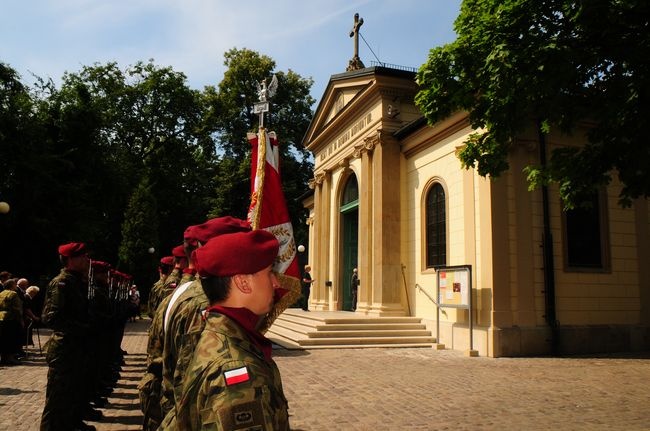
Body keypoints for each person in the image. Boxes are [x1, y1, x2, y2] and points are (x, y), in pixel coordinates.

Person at [169, 229, 290, 430]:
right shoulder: (236, 367)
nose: (276, 283)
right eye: (270, 273)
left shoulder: (217, 334)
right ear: (243, 282)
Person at [40, 242, 97, 431]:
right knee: (58, 396)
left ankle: (71, 424)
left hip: (76, 345)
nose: (87, 260)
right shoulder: (61, 283)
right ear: (70, 260)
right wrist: (82, 328)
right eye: (82, 256)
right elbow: (51, 317)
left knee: (73, 391)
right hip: (64, 347)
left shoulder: (76, 281)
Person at [0, 278, 24, 365]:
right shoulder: (13, 294)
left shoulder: (1, 293)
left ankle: (3, 358)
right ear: (11, 285)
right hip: (11, 319)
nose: (16, 285)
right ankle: (10, 359)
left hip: (1, 318)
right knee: (11, 339)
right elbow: (17, 309)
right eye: (14, 284)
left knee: (3, 339)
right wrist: (21, 320)